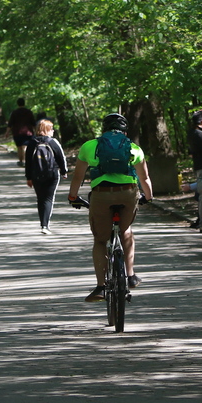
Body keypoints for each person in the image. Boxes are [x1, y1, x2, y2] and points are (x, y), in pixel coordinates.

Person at [67, 113, 153, 302]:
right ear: (125, 131)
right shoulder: (134, 147)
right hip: (128, 193)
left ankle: (100, 287)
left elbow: (78, 177)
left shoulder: (90, 146)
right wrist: (149, 196)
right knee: (126, 230)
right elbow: (144, 178)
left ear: (103, 129)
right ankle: (130, 276)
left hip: (101, 194)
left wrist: (73, 196)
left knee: (100, 240)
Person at [24, 118, 68, 234]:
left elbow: (28, 162)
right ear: (47, 129)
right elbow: (61, 157)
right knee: (48, 199)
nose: (53, 131)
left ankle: (42, 224)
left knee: (40, 199)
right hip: (52, 174)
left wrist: (28, 177)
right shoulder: (52, 142)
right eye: (51, 129)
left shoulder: (32, 143)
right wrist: (64, 172)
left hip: (36, 175)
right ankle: (45, 226)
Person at [8, 98, 38, 167]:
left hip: (17, 132)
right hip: (28, 132)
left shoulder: (14, 112)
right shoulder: (29, 112)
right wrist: (36, 131)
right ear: (24, 103)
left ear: (17, 104)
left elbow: (10, 124)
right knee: (25, 147)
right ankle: (25, 160)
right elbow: (33, 123)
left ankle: (21, 160)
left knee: (19, 147)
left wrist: (7, 132)